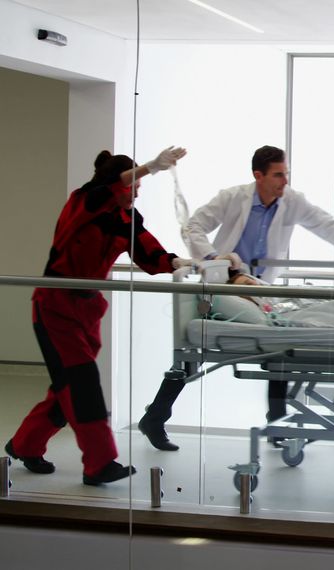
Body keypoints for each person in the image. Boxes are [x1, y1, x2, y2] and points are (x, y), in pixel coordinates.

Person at [138, 145, 334, 451]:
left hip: (260, 287)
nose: (284, 181)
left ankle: (275, 425)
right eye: (277, 174)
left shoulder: (291, 202)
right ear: (257, 175)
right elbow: (194, 225)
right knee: (194, 357)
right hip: (226, 283)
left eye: (286, 173)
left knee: (278, 348)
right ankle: (156, 416)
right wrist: (213, 258)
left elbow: (327, 224)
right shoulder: (233, 197)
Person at [5, 147, 190, 485]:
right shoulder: (83, 202)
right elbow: (105, 191)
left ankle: (24, 445)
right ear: (117, 185)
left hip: (87, 311)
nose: (136, 191)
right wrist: (150, 167)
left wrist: (178, 263)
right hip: (55, 306)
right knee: (82, 385)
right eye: (132, 185)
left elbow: (149, 254)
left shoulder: (127, 219)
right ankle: (99, 463)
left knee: (67, 389)